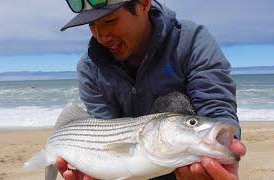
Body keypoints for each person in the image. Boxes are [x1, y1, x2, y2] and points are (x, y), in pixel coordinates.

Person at [57, 0, 246, 179]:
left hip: (185, 161)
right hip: (138, 165)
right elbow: (105, 130)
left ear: (143, 4)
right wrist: (101, 172)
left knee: (174, 102)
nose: (101, 36)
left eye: (110, 20)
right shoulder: (89, 68)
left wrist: (226, 146)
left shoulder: (191, 41)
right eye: (92, 25)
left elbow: (215, 105)